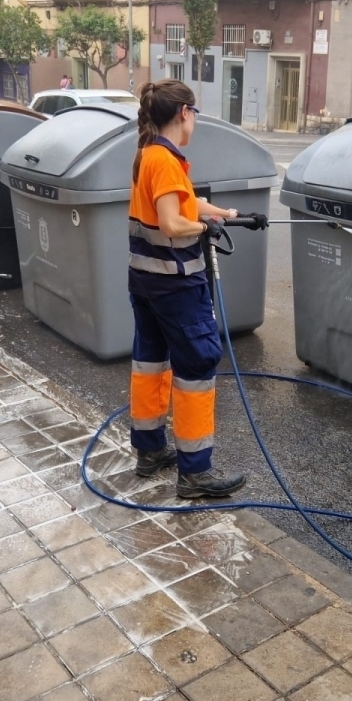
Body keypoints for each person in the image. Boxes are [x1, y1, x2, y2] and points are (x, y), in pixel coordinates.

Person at [127, 79, 267, 498]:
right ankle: (194, 472)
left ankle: (149, 451)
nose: (195, 122)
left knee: (150, 360)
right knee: (197, 364)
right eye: (195, 114)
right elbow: (173, 223)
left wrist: (227, 214)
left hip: (146, 279)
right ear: (184, 113)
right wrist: (205, 228)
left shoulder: (149, 154)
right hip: (175, 283)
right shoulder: (165, 160)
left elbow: (184, 201)